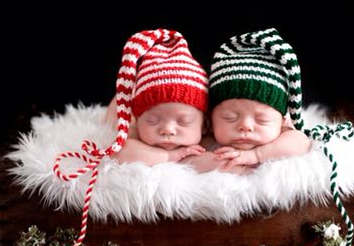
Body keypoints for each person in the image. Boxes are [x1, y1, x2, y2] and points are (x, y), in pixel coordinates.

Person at [184, 28, 311, 173]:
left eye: (261, 119)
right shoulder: (211, 142)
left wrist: (255, 155)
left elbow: (302, 142)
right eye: (229, 118)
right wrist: (227, 166)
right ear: (211, 121)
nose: (245, 126)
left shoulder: (282, 137)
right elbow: (188, 160)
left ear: (282, 121)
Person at [105, 29, 208, 165]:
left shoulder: (208, 138)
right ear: (137, 120)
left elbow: (221, 163)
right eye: (152, 120)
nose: (167, 130)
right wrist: (169, 156)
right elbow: (118, 152)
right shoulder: (135, 132)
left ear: (205, 125)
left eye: (184, 121)